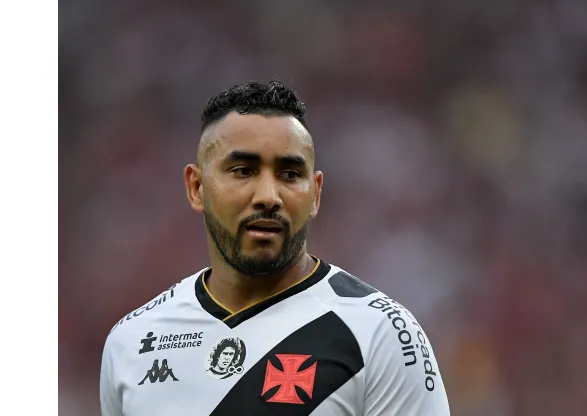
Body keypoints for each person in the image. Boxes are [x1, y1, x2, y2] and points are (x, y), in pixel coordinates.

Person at [100, 81, 451, 415]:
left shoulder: (380, 333)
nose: (268, 196)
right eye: (243, 170)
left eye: (289, 174)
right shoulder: (132, 341)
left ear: (315, 193)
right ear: (196, 187)